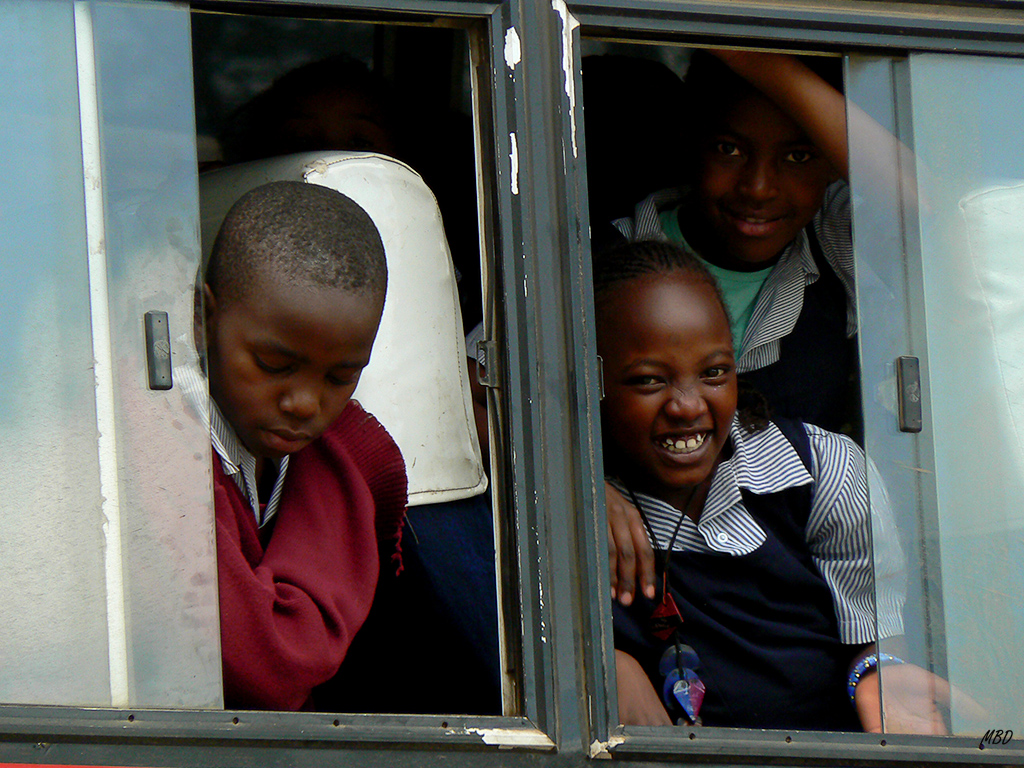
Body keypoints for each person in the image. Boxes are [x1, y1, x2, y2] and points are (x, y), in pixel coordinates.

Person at [594, 240, 957, 732]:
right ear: (591, 378)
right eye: (648, 381)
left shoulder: (822, 468)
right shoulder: (571, 503)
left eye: (715, 372)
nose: (687, 405)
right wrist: (602, 665)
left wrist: (876, 674)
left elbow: (870, 638)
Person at [607, 49, 864, 609]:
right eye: (729, 149)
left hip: (788, 593)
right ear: (686, 139)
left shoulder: (835, 250)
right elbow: (477, 398)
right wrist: (578, 484)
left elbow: (930, 210)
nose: (758, 187)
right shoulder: (601, 265)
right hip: (631, 589)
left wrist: (755, 57)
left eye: (798, 155)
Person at [196, 180, 407, 710]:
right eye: (273, 366)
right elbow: (269, 666)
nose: (305, 403)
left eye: (340, 378)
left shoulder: (354, 466)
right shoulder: (159, 455)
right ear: (204, 318)